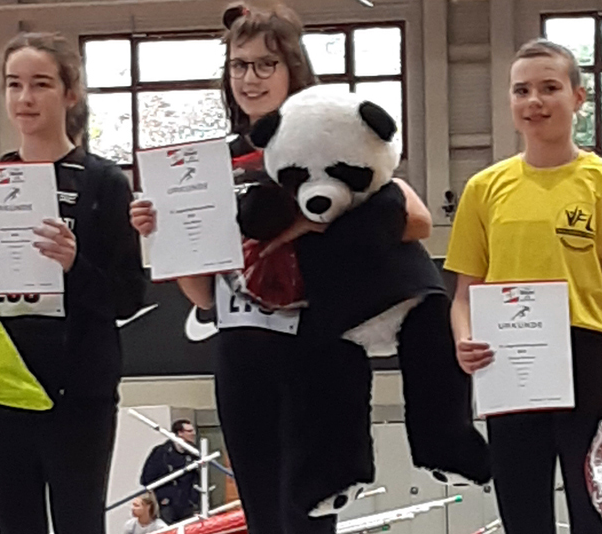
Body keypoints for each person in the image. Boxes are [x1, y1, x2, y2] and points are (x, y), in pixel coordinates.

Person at [130, 4, 432, 533]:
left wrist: (300, 228)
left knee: (311, 517)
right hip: (243, 353)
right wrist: (167, 234)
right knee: (265, 518)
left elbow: (416, 218)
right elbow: (204, 297)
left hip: (317, 352)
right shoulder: (210, 162)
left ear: (294, 67)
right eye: (239, 65)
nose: (250, 77)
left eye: (266, 64)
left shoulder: (330, 142)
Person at [444, 38, 602, 534]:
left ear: (578, 97)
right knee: (523, 516)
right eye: (521, 90)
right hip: (510, 370)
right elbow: (464, 295)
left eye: (549, 88)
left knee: (600, 517)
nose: (534, 101)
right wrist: (463, 340)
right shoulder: (484, 189)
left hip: (588, 364)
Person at [0, 32, 146, 534]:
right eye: (14, 85)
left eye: (40, 84)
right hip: (6, 387)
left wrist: (75, 265)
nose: (25, 98)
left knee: (80, 523)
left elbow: (127, 297)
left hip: (79, 390)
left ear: (69, 93)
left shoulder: (104, 183)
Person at [140, 420, 199, 524]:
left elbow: (196, 477)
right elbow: (147, 478)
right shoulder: (161, 452)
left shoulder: (194, 452)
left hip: (188, 504)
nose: (193, 434)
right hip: (167, 504)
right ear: (180, 433)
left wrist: (195, 500)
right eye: (189, 431)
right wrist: (163, 497)